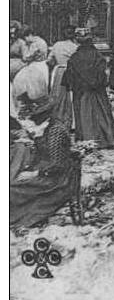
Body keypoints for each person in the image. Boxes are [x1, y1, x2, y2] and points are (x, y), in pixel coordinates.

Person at [10, 97, 81, 229]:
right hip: (47, 170)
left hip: (58, 179)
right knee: (14, 182)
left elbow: (58, 165)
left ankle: (20, 219)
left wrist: (33, 174)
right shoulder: (46, 128)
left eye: (33, 117)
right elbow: (43, 154)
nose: (31, 119)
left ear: (42, 116)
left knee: (13, 188)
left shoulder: (56, 131)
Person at [64, 29, 114, 148]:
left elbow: (70, 78)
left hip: (82, 92)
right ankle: (106, 139)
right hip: (97, 91)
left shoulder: (74, 58)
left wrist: (77, 86)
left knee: (84, 115)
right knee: (101, 113)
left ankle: (87, 139)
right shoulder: (98, 56)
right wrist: (98, 84)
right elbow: (102, 76)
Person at [12, 26, 50, 104]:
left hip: (37, 66)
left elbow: (26, 57)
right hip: (41, 65)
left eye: (25, 37)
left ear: (29, 35)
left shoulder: (35, 43)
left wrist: (25, 49)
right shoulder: (40, 40)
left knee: (35, 87)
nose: (25, 40)